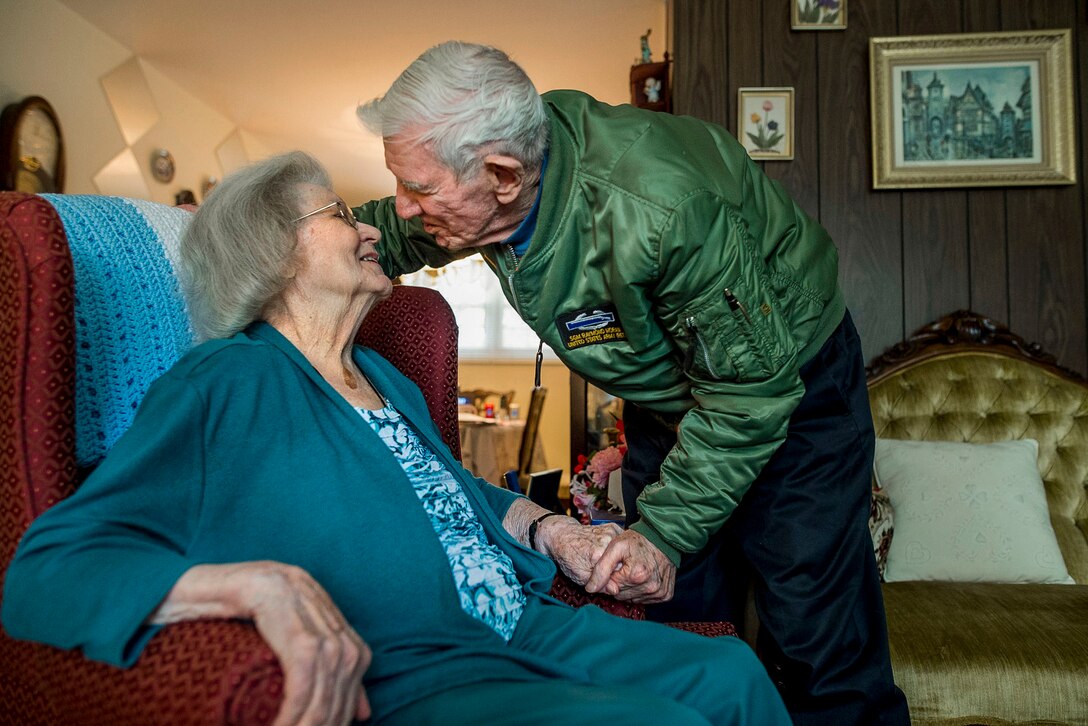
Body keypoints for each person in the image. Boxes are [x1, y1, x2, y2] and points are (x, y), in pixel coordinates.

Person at [1, 151, 789, 725]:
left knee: (733, 673)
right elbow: (47, 570)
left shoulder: (384, 374)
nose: (372, 229)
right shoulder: (226, 384)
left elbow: (455, 490)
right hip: (419, 666)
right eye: (342, 214)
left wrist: (553, 532)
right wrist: (255, 587)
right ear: (276, 250)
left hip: (525, 620)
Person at [354, 41, 911, 725]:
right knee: (669, 608)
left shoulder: (661, 207)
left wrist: (666, 531)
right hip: (670, 399)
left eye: (420, 189)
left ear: (502, 174)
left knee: (815, 630)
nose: (405, 207)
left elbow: (748, 396)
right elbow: (388, 234)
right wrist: (302, 238)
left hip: (785, 390)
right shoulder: (493, 185)